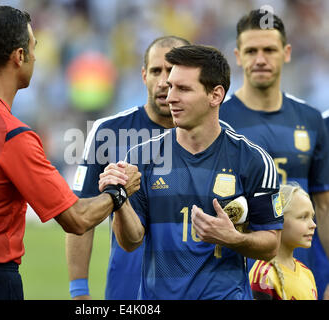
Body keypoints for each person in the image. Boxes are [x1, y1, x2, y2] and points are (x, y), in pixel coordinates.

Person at [0, 6, 140, 300]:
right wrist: (118, 193)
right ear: (19, 57)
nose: (36, 57)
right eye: (33, 47)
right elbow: (76, 219)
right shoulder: (12, 134)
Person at [99, 44, 284, 299]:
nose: (170, 96)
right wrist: (118, 199)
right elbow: (131, 241)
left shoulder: (253, 160)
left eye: (183, 89)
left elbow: (271, 244)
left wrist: (233, 239)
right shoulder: (141, 157)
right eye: (171, 86)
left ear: (215, 95)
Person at [66, 36, 190, 300]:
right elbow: (81, 215)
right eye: (156, 71)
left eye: (172, 70)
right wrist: (79, 292)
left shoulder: (214, 137)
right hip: (127, 290)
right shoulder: (109, 132)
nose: (163, 81)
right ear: (144, 75)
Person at [219, 9, 329, 299]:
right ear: (238, 56)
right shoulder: (218, 120)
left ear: (287, 52)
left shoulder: (310, 119)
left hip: (302, 272)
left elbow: (325, 207)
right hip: (236, 275)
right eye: (251, 50)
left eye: (269, 49)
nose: (260, 59)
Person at [250, 183, 317, 300]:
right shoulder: (263, 275)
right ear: (278, 221)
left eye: (312, 217)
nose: (313, 225)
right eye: (303, 217)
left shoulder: (307, 273)